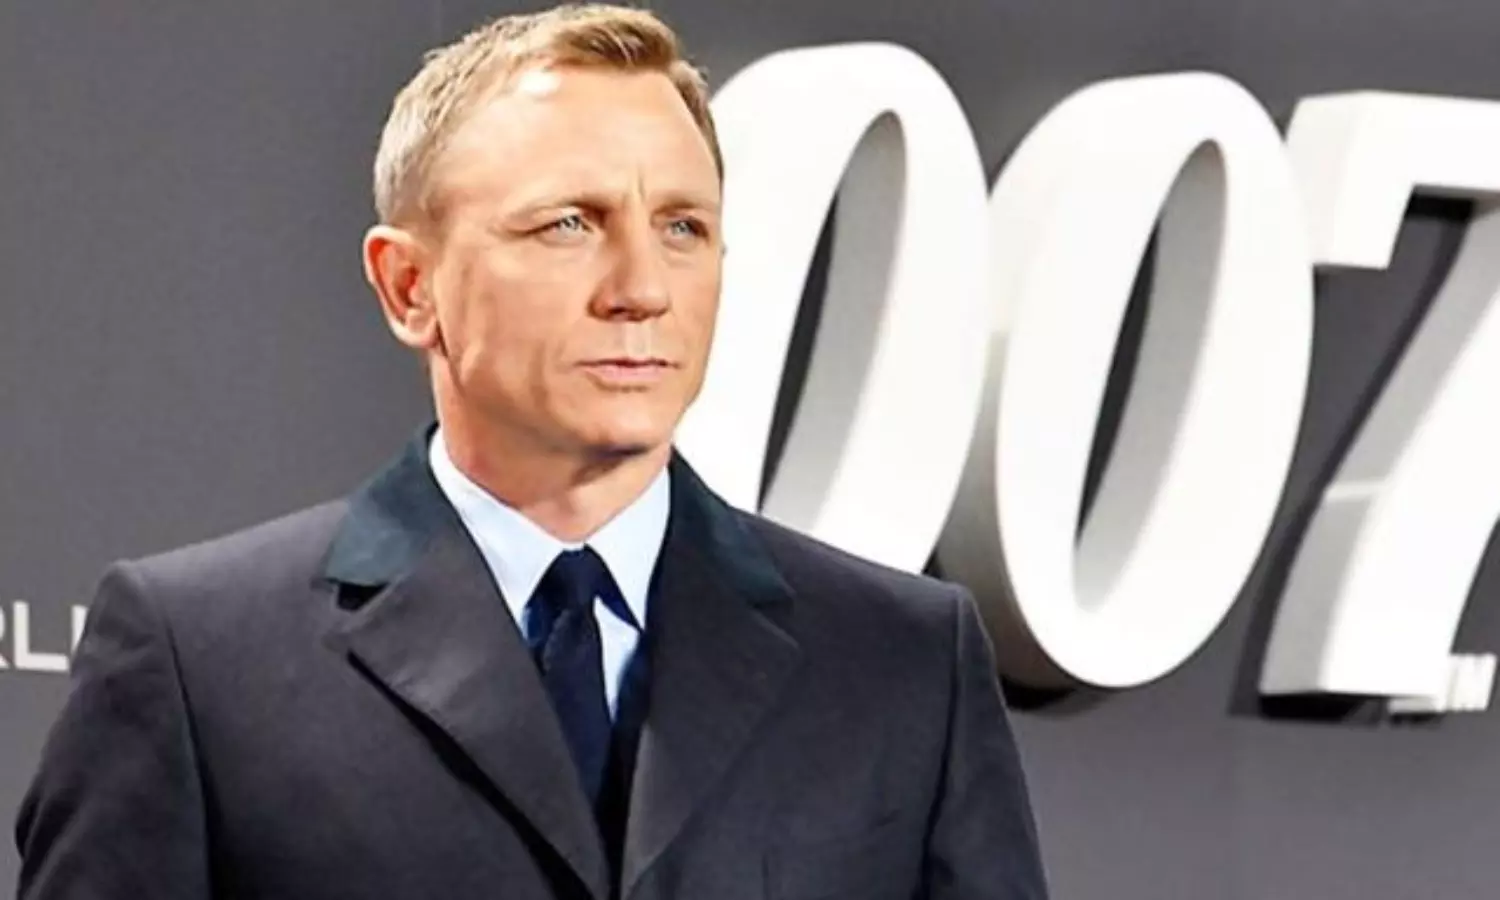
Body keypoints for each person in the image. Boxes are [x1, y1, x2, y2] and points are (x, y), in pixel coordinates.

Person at [13, 5, 1049, 898]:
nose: (641, 288)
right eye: (568, 224)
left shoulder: (906, 665)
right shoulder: (200, 662)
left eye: (683, 228)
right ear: (409, 287)